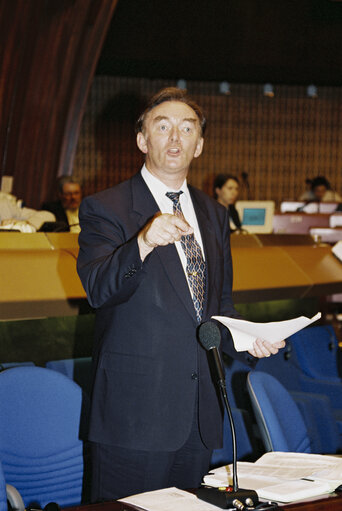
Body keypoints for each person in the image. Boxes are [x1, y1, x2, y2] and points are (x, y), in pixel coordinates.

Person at [77, 87, 285, 501]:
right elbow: (99, 289)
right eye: (163, 126)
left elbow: (217, 307)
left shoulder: (213, 213)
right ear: (142, 140)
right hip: (133, 416)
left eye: (186, 129)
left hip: (198, 413)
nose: (175, 138)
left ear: (199, 145)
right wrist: (143, 242)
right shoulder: (106, 207)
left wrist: (249, 340)